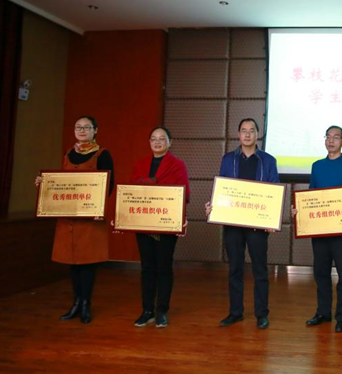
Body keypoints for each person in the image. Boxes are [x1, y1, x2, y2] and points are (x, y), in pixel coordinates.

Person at [35, 115, 115, 324]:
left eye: (87, 127)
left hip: (89, 219)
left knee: (87, 263)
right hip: (68, 218)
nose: (82, 130)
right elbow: (63, 183)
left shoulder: (102, 154)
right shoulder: (68, 153)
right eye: (78, 127)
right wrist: (46, 185)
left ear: (95, 130)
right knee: (72, 261)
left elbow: (108, 186)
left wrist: (92, 205)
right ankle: (76, 303)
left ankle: (86, 304)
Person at [205, 118, 279, 330]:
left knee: (260, 270)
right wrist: (213, 206)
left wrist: (272, 219)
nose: (247, 134)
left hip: (258, 226)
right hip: (233, 225)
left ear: (258, 134)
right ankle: (235, 312)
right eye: (243, 131)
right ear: (238, 134)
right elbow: (222, 188)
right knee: (235, 269)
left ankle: (261, 314)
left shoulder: (268, 160)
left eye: (251, 131)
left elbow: (274, 190)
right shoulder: (228, 159)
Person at [129, 126, 190, 328]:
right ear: (149, 142)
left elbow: (183, 194)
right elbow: (131, 191)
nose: (157, 142)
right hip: (143, 221)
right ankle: (147, 310)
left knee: (164, 267)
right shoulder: (140, 164)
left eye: (162, 138)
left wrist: (182, 218)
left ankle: (161, 310)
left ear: (170, 142)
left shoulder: (177, 165)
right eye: (153, 138)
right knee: (147, 267)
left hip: (166, 222)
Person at [303, 126, 342, 333]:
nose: (331, 141)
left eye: (336, 137)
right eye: (328, 137)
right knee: (321, 273)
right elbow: (311, 195)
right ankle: (323, 312)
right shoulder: (317, 166)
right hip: (320, 230)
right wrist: (300, 210)